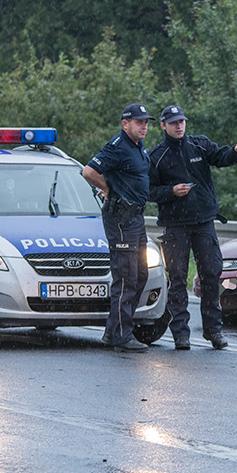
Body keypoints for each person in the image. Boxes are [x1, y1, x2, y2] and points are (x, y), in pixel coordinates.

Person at [149, 105, 237, 350]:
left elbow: (221, 157)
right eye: (173, 123)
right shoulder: (156, 156)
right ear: (163, 126)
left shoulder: (199, 145)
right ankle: (180, 333)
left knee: (211, 274)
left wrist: (236, 152)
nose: (179, 126)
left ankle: (213, 330)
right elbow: (149, 192)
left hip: (204, 222)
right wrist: (171, 192)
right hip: (175, 225)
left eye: (181, 121)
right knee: (177, 278)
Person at [82, 103, 154, 353]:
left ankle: (114, 330)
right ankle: (122, 334)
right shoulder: (118, 146)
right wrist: (109, 190)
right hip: (121, 219)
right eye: (139, 122)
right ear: (126, 124)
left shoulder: (138, 146)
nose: (144, 126)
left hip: (136, 217)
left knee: (141, 274)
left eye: (146, 122)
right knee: (126, 277)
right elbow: (89, 171)